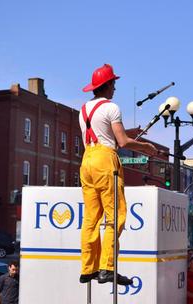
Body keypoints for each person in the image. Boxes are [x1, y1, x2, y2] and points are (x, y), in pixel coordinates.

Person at [78, 64, 157, 286]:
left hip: (87, 161)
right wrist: (146, 147)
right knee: (116, 215)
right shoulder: (112, 107)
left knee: (91, 218)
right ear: (107, 85)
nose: (115, 88)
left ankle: (88, 268)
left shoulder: (83, 109)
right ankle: (107, 268)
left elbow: (101, 132)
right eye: (114, 84)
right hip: (105, 159)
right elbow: (122, 142)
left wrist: (129, 135)